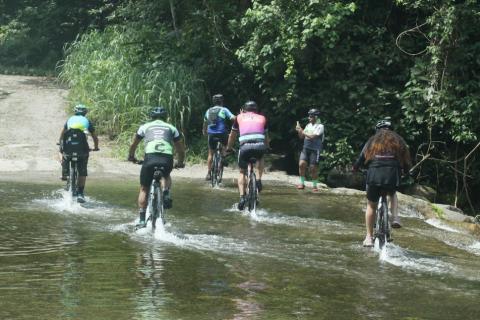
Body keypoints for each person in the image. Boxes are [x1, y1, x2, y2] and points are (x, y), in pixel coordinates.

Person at [352, 117, 411, 247]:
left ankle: (368, 237)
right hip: (392, 175)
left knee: (371, 206)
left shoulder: (372, 140)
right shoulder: (399, 140)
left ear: (377, 130)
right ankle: (395, 217)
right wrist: (407, 172)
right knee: (392, 194)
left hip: (374, 174)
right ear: (391, 130)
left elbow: (361, 158)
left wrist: (355, 168)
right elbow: (406, 160)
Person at [128, 106, 185, 228]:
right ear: (165, 118)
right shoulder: (172, 128)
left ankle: (142, 220)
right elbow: (180, 149)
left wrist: (131, 157)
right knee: (166, 175)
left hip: (150, 158)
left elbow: (133, 145)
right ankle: (166, 193)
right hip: (166, 158)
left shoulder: (145, 127)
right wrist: (180, 162)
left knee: (144, 188)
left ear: (151, 117)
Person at [226, 100, 269, 210]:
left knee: (242, 171)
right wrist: (267, 147)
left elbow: (232, 136)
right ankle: (258, 179)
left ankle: (242, 197)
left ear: (244, 110)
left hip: (245, 148)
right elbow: (266, 137)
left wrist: (229, 148)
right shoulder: (262, 118)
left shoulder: (239, 117)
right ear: (256, 110)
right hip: (259, 146)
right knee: (261, 156)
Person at [58, 104, 99, 203]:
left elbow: (62, 133)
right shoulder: (87, 121)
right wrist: (96, 147)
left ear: (75, 112)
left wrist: (60, 142)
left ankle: (64, 173)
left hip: (69, 148)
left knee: (61, 152)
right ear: (85, 113)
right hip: (82, 149)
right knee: (82, 169)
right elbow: (94, 137)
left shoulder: (70, 119)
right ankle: (80, 193)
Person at [203, 94, 235, 180]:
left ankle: (209, 173)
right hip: (222, 133)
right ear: (222, 101)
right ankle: (224, 157)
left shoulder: (208, 111)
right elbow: (232, 118)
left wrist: (205, 132)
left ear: (213, 102)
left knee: (210, 153)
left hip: (211, 134)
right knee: (226, 144)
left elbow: (205, 124)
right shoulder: (224, 109)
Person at [295, 108, 325, 191]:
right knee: (301, 164)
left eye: (311, 116)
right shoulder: (308, 125)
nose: (309, 118)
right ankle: (302, 183)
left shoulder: (320, 126)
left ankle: (315, 186)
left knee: (312, 168)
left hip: (315, 150)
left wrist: (302, 130)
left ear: (316, 117)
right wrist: (299, 131)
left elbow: (312, 137)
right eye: (309, 116)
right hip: (306, 148)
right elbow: (301, 137)